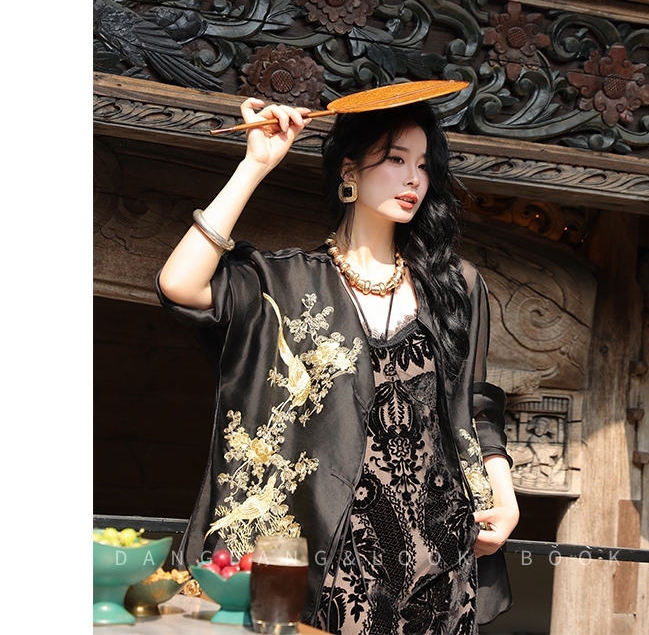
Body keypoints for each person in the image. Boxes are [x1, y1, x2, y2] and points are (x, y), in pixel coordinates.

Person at [157, 96, 519, 634]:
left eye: (424, 165)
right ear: (350, 170)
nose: (413, 178)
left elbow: (476, 406)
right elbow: (179, 284)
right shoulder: (286, 283)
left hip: (435, 557)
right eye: (396, 159)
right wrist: (255, 164)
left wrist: (505, 496)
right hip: (319, 556)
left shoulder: (455, 286)